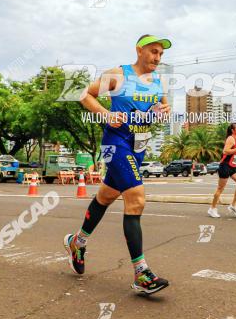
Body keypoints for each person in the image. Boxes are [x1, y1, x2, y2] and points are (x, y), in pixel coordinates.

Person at [64, 34, 172, 295]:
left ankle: (77, 242)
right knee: (136, 198)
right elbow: (83, 95)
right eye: (153, 52)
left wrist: (162, 111)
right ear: (139, 50)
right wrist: (105, 113)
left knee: (105, 196)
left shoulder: (159, 81)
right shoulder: (119, 74)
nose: (157, 57)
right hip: (116, 144)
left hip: (139, 147)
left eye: (161, 54)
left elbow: (162, 107)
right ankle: (141, 273)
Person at [209, 123, 236, 218]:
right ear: (233, 130)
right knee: (220, 189)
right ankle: (212, 209)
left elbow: (235, 154)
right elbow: (225, 151)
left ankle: (233, 205)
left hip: (233, 166)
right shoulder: (231, 138)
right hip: (225, 166)